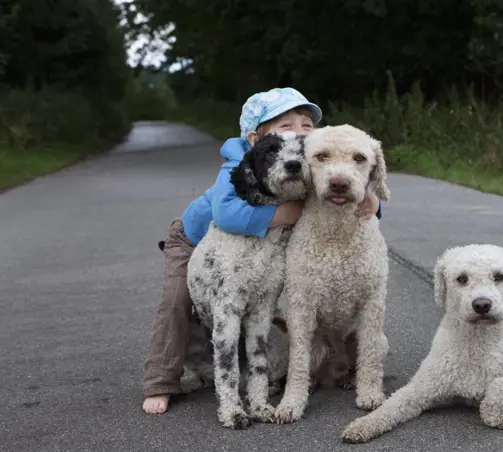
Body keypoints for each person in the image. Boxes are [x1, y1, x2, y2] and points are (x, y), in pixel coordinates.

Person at [142, 87, 383, 414]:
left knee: (265, 308)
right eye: (287, 125)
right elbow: (225, 214)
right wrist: (283, 215)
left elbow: (337, 187)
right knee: (177, 303)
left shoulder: (302, 161)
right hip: (193, 239)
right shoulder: (236, 164)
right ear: (257, 138)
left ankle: (283, 363)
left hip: (258, 250)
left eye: (306, 124)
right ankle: (161, 380)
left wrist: (370, 197)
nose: (299, 131)